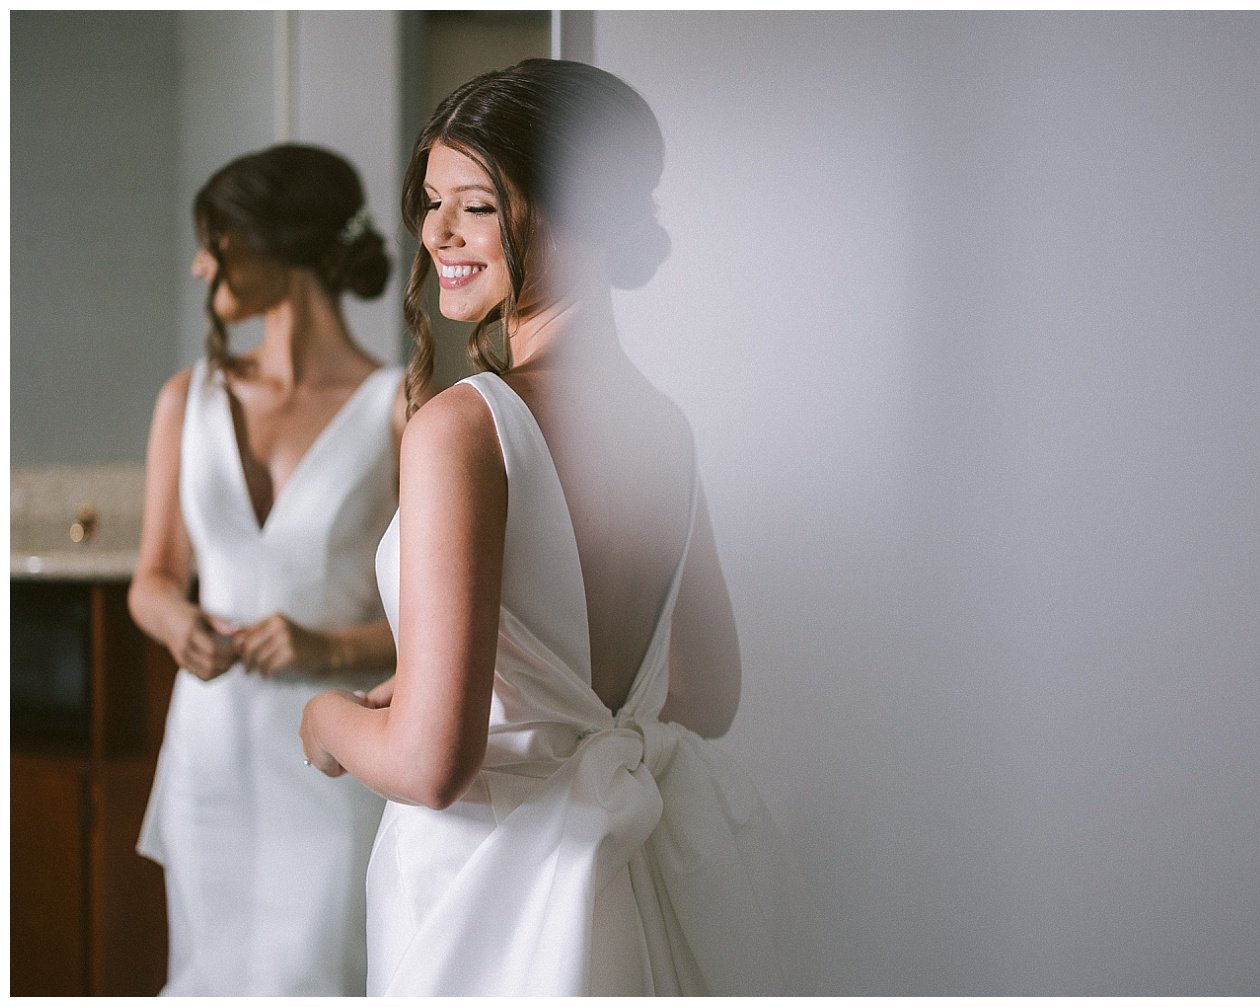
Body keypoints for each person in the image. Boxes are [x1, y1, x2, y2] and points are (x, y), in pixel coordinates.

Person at [299, 60, 812, 995]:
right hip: (636, 874)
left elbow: (430, 763)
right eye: (430, 201)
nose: (437, 233)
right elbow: (710, 694)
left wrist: (325, 720)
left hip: (490, 895)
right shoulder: (665, 425)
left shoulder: (465, 427)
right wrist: (509, 703)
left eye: (477, 207)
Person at [129, 144, 405, 995]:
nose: (200, 262)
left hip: (333, 764)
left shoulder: (400, 409)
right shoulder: (188, 397)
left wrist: (322, 649)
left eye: (216, 239)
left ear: (273, 240)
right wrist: (180, 623)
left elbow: (443, 631)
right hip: (207, 761)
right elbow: (153, 578)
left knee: (316, 976)